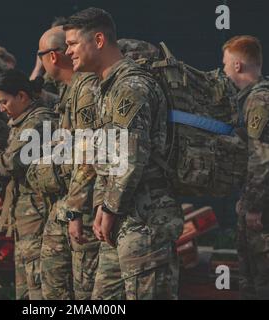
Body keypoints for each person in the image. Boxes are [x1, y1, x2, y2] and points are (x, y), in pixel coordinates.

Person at [64, 7, 183, 300]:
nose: (68, 52)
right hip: (120, 223)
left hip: (146, 223)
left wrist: (109, 208)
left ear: (99, 40)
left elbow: (130, 158)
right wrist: (102, 207)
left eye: (72, 43)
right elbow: (105, 157)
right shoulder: (108, 87)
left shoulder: (131, 86)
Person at [0, 69, 57, 300]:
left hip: (38, 219)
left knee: (38, 287)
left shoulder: (38, 122)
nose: (1, 108)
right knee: (26, 288)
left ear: (22, 96)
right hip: (27, 218)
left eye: (4, 101)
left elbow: (10, 164)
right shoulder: (23, 123)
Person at [34, 26, 100, 300]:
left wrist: (74, 213)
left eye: (39, 55)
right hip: (66, 207)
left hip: (80, 212)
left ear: (51, 56)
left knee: (83, 292)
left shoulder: (84, 90)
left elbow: (87, 157)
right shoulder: (69, 91)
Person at [222, 35, 269, 300]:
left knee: (261, 282)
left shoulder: (259, 101)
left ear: (238, 66)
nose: (225, 71)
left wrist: (253, 207)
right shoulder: (251, 99)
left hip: (262, 212)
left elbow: (262, 159)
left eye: (226, 64)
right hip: (256, 206)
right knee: (250, 281)